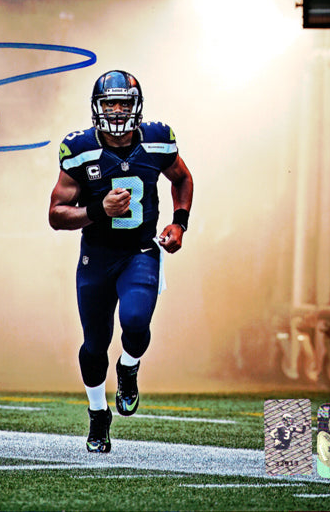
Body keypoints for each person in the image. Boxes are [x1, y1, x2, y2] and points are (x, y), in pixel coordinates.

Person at [49, 70, 194, 453]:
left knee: (135, 320)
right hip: (96, 257)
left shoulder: (158, 139)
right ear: (96, 108)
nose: (116, 110)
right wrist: (98, 209)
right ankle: (98, 414)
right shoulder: (80, 148)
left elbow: (182, 178)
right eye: (109, 103)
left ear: (136, 107)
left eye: (123, 103)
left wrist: (179, 224)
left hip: (140, 252)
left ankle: (129, 366)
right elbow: (56, 215)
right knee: (95, 343)